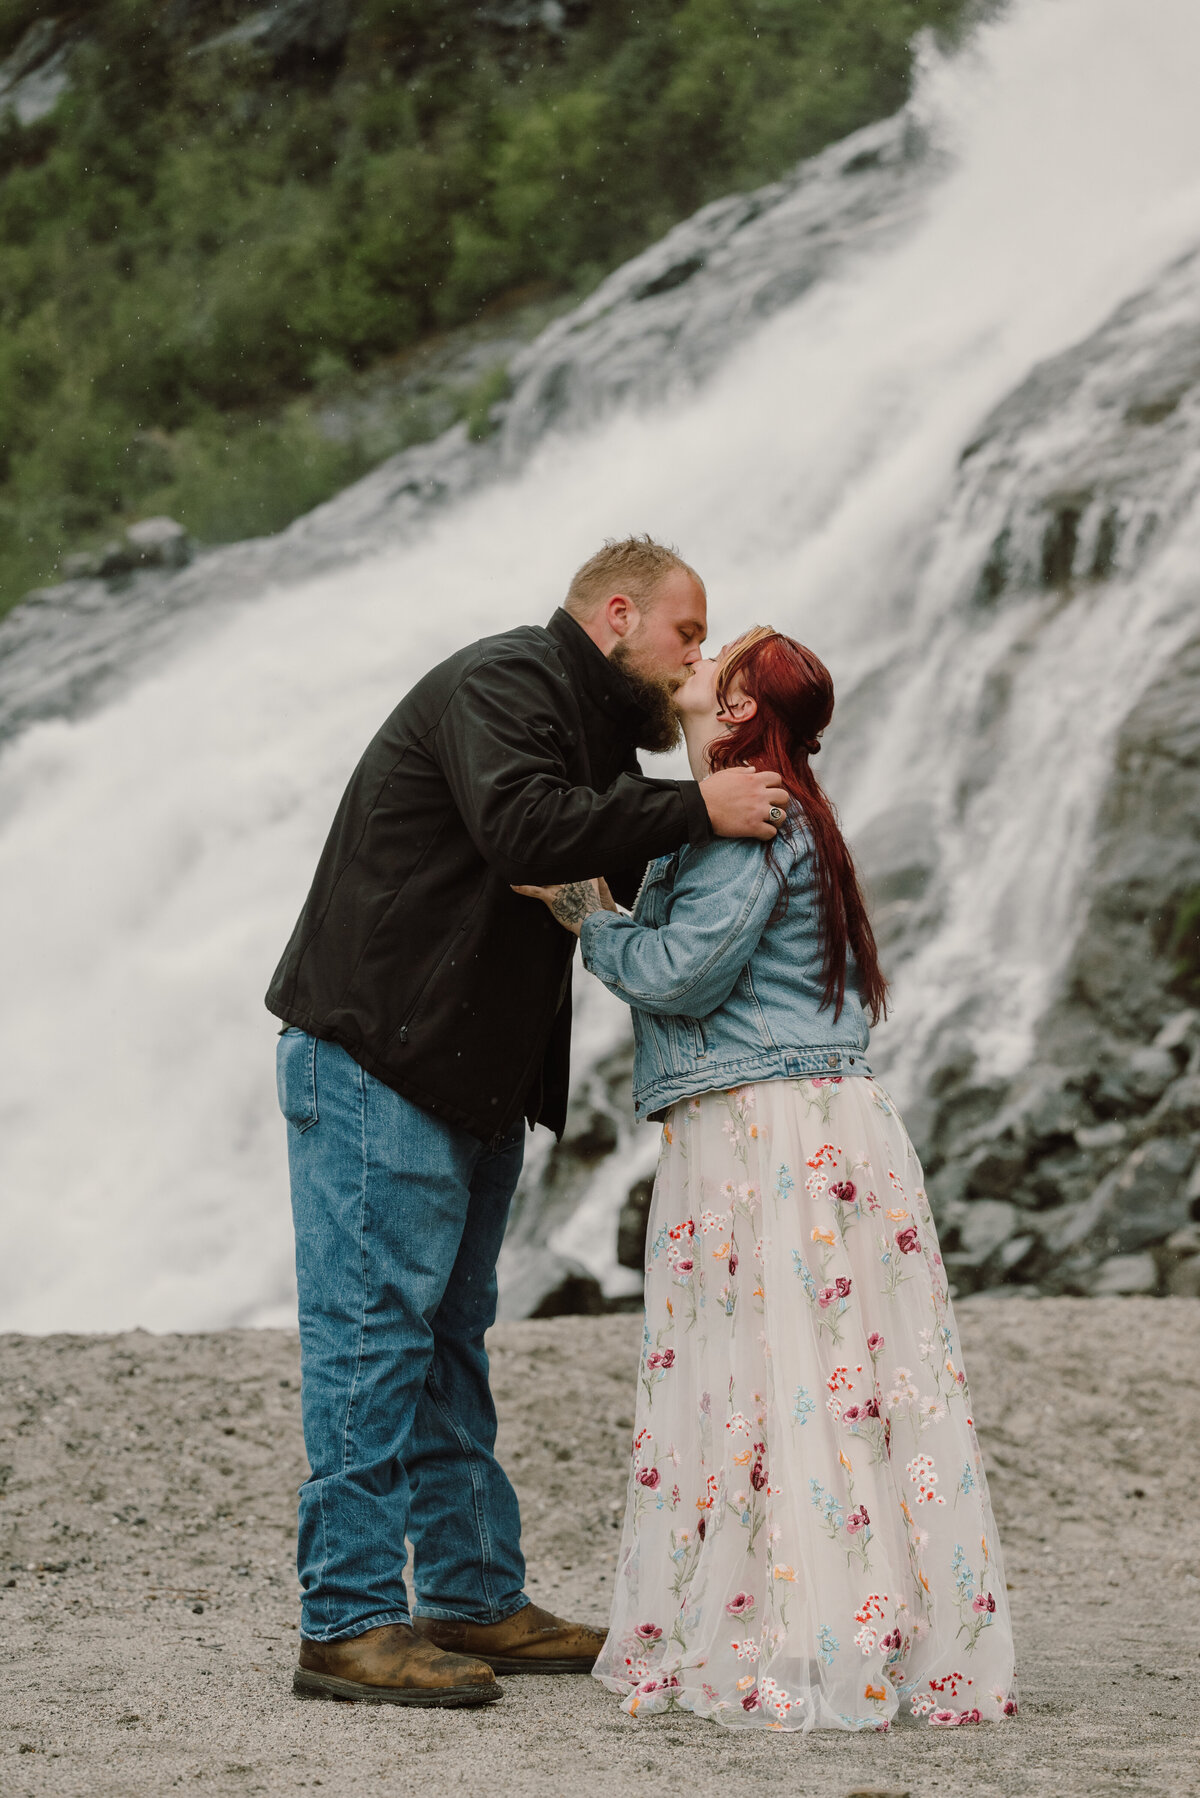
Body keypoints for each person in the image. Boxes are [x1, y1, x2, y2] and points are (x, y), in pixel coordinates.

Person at [265, 537, 790, 1708]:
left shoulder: (592, 727)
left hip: (460, 1075)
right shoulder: (508, 683)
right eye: (687, 635)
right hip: (377, 1057)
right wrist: (701, 804)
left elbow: (586, 865)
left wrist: (692, 784)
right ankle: (345, 1623)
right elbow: (525, 828)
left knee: (449, 1341)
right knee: (375, 1336)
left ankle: (472, 1597)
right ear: (617, 614)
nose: (696, 657)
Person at [514, 626, 1018, 1733]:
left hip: (766, 1127)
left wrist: (585, 914)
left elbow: (682, 975)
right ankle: (856, 1622)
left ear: (739, 712)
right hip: (806, 1118)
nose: (688, 670)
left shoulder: (751, 826)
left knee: (778, 1371)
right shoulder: (770, 815)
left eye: (712, 666)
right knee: (829, 1376)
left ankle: (801, 1634)